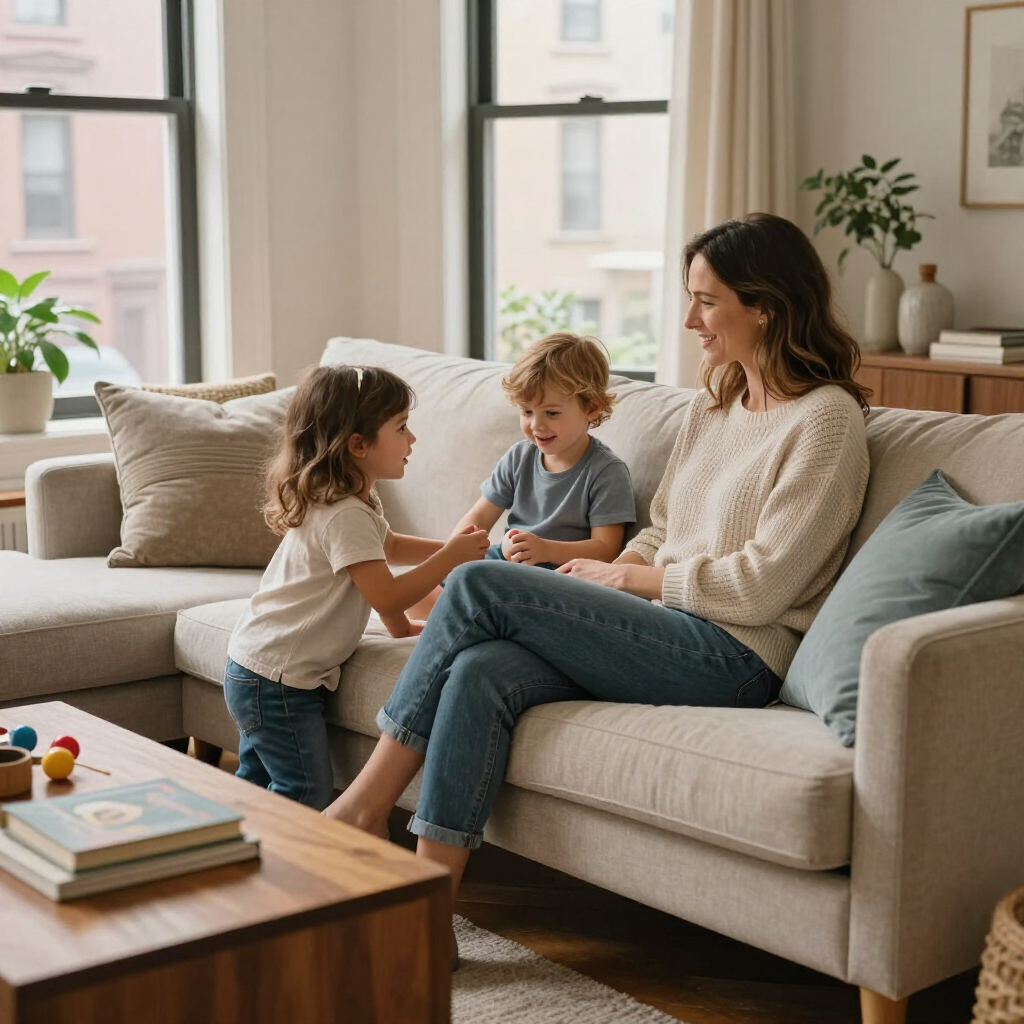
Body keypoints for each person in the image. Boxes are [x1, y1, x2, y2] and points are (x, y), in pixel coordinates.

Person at [323, 213, 873, 953]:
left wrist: (628, 579)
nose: (688, 319)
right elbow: (662, 528)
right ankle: (430, 922)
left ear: (765, 305)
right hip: (663, 626)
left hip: (736, 655)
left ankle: (362, 805)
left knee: (481, 584)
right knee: (483, 669)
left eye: (706, 301)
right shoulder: (714, 406)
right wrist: (613, 581)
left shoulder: (826, 422)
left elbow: (762, 589)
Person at [222, 364, 489, 809]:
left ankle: (235, 857)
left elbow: (385, 548)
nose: (413, 440)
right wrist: (450, 558)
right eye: (402, 428)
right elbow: (384, 593)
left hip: (257, 667)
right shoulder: (343, 512)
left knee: (254, 785)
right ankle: (299, 872)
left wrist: (449, 548)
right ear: (358, 445)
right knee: (304, 791)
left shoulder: (353, 496)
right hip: (277, 682)